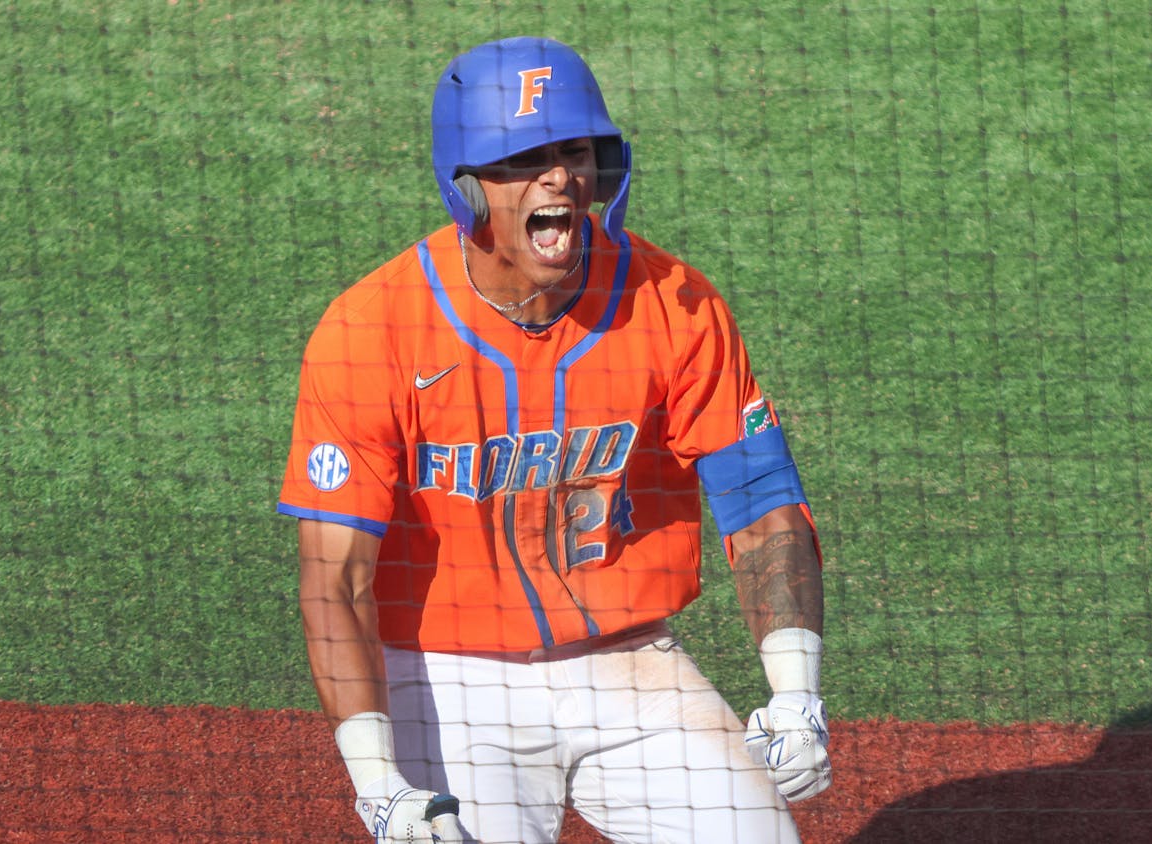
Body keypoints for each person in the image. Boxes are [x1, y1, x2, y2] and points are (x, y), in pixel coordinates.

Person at [277, 36, 831, 844]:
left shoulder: (671, 303)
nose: (559, 178)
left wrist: (795, 694)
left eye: (575, 151)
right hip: (448, 682)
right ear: (464, 187)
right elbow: (336, 580)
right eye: (525, 158)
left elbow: (761, 502)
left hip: (628, 663)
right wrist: (378, 784)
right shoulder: (371, 330)